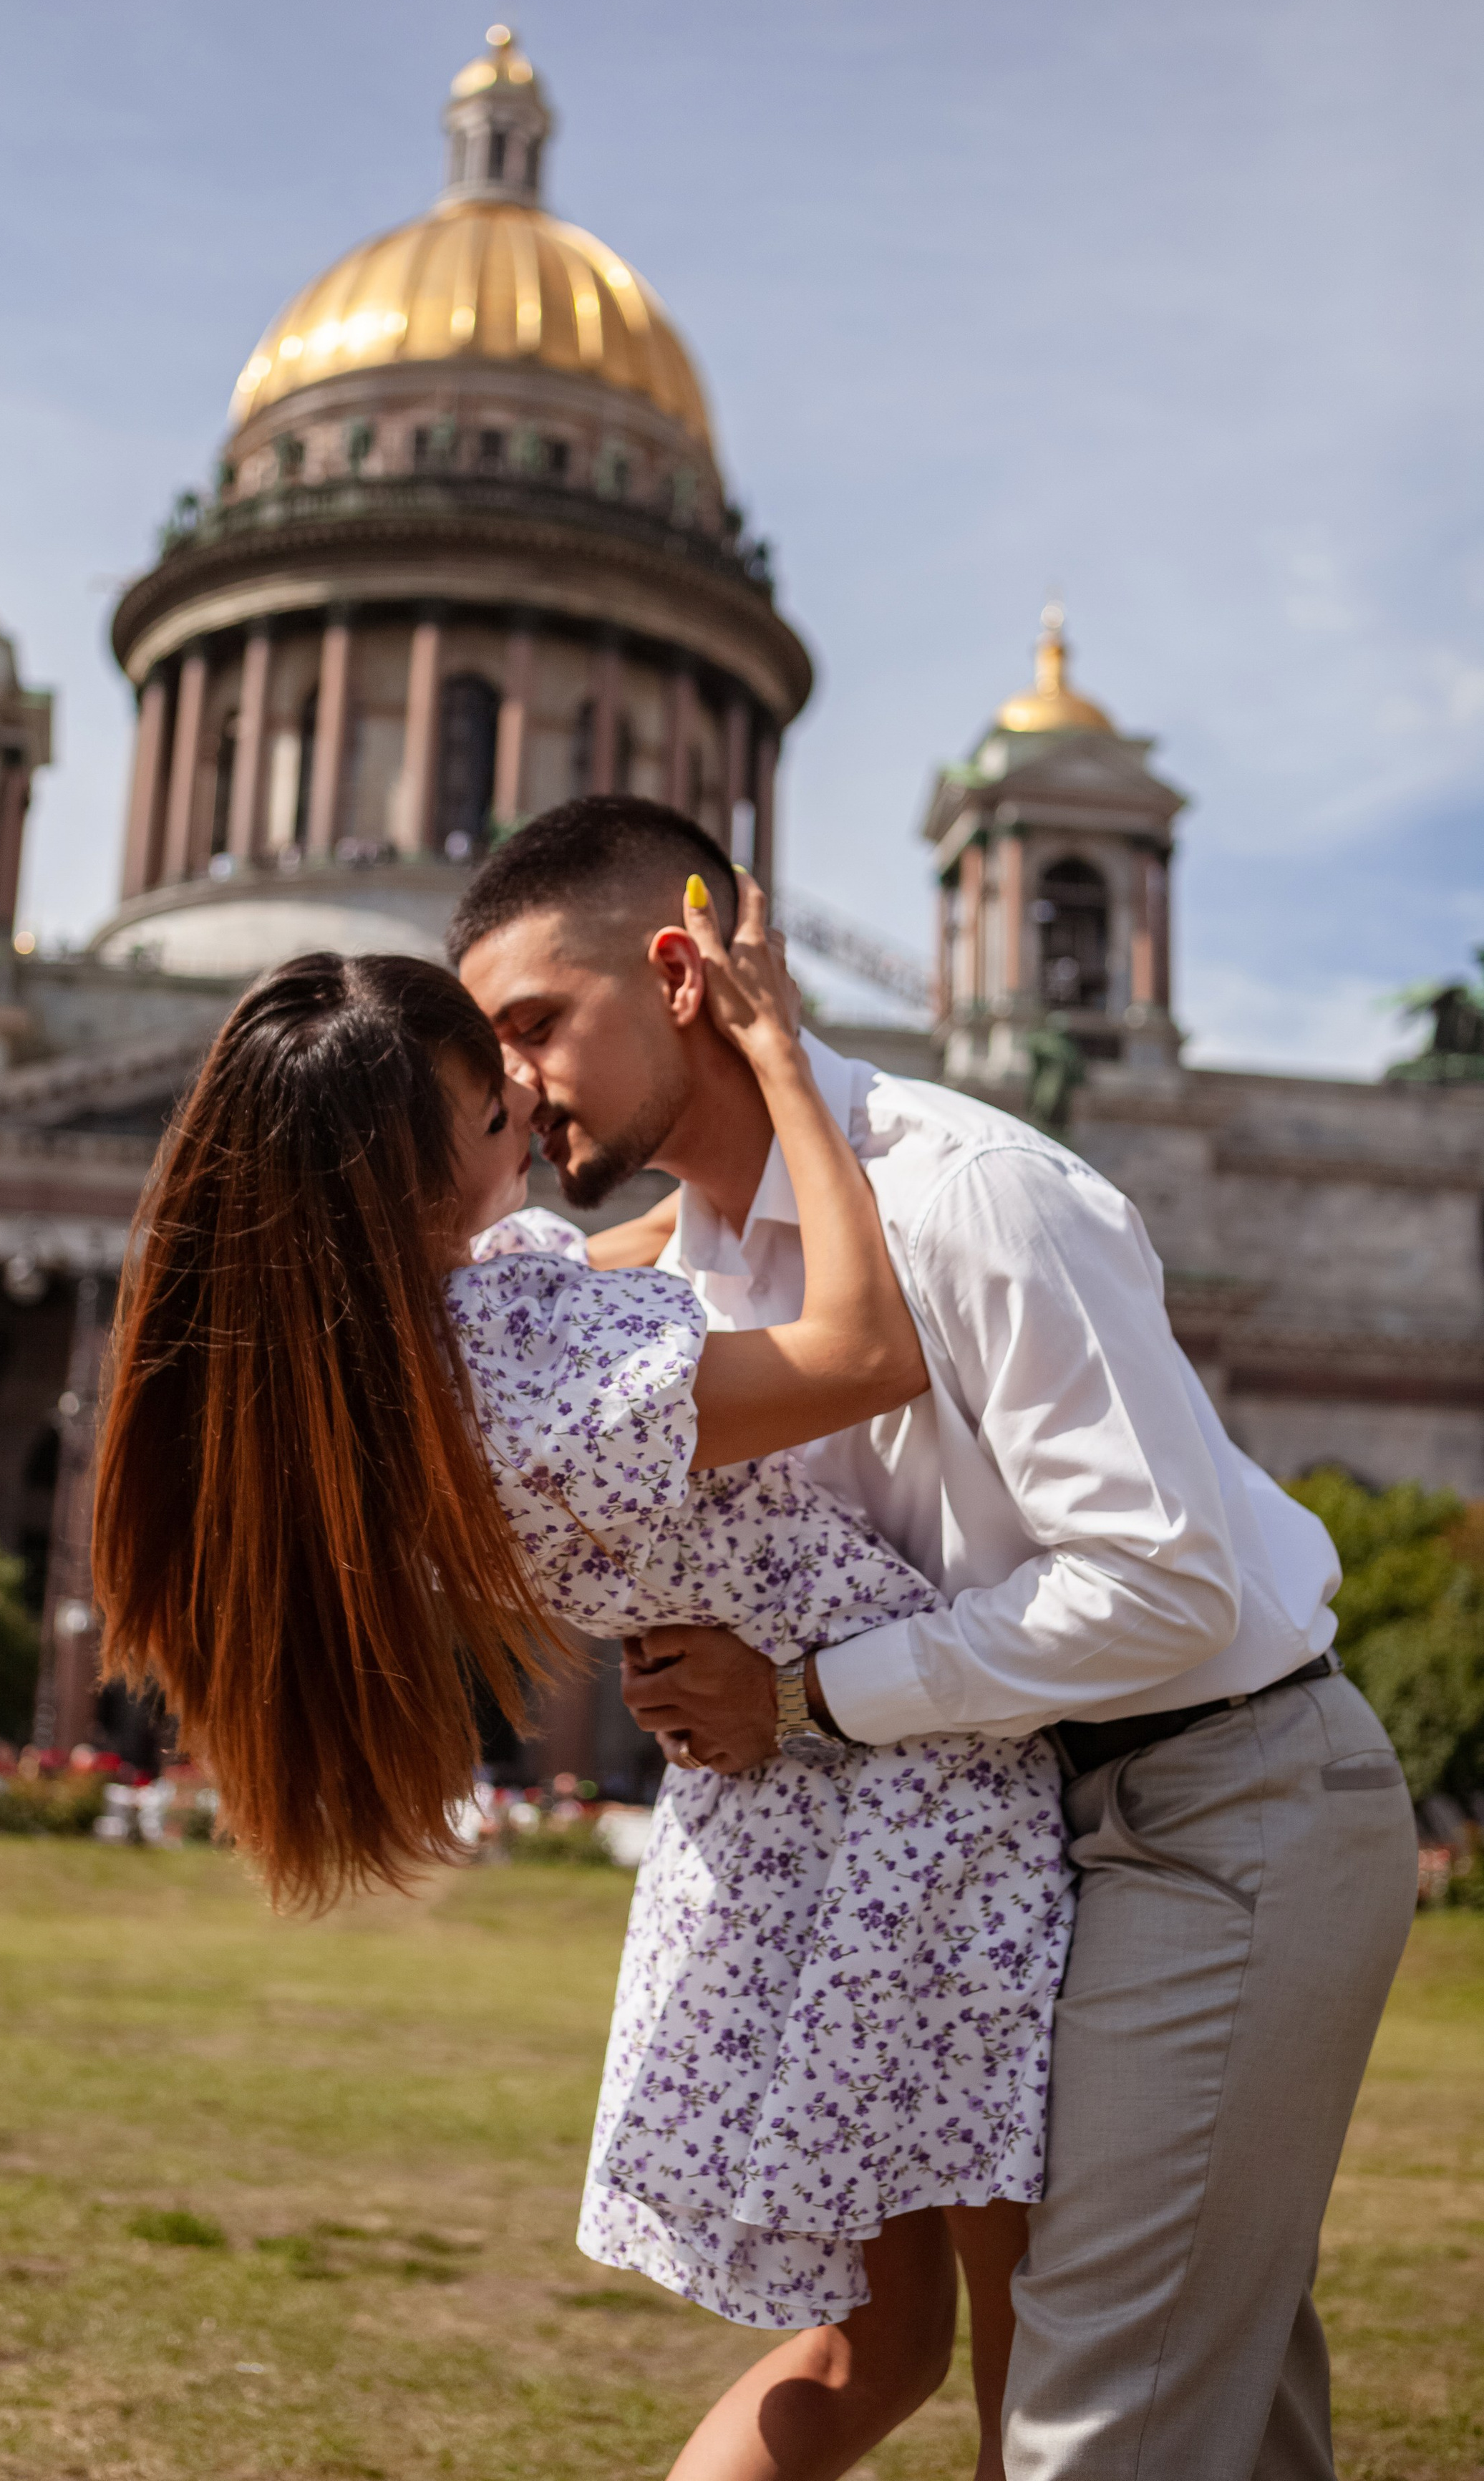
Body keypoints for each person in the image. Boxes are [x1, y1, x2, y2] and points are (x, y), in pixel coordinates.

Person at [448, 793, 1421, 2481]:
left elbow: (1164, 1587)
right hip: (1035, 1830)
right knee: (1214, 2395)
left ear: (680, 973)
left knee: (1088, 2417)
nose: (511, 1085)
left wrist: (809, 1699)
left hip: (1221, 1802)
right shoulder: (694, 1268)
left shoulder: (970, 1197)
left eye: (536, 1026)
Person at [92, 884, 1073, 2481]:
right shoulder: (525, 1351)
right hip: (913, 1799)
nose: (533, 1106)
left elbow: (641, 1250)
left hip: (771, 1834)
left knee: (872, 2341)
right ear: (418, 1179)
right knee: (1033, 2334)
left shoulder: (405, 1360)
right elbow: (864, 1354)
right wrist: (784, 1071)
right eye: (498, 1103)